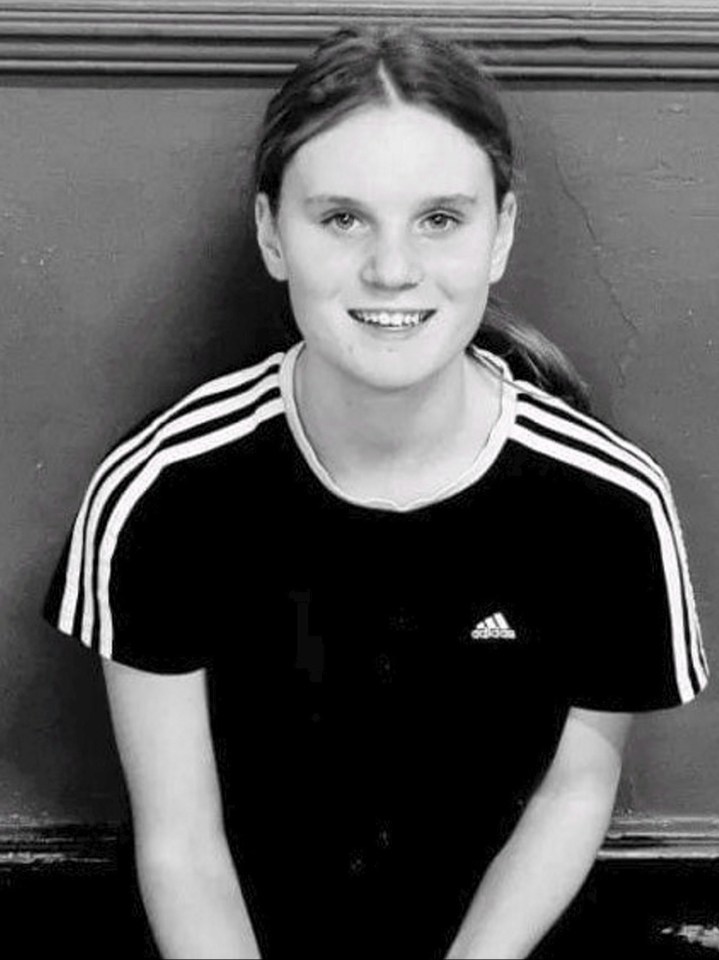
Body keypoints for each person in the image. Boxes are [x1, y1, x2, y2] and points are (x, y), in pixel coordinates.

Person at [43, 23, 708, 960]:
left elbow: (573, 792)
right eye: (342, 217)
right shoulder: (162, 492)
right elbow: (182, 844)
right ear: (273, 232)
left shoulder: (610, 506)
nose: (391, 269)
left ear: (500, 234)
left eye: (439, 219)